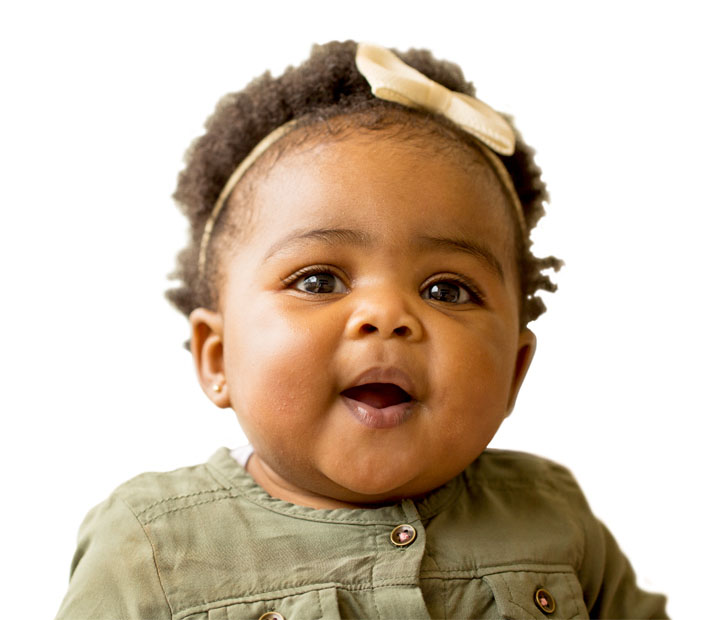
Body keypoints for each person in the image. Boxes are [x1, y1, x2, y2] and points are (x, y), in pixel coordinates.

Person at [56, 41, 668, 619]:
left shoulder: (550, 513)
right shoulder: (153, 544)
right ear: (217, 359)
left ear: (513, 371)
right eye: (318, 281)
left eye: (446, 290)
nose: (386, 314)